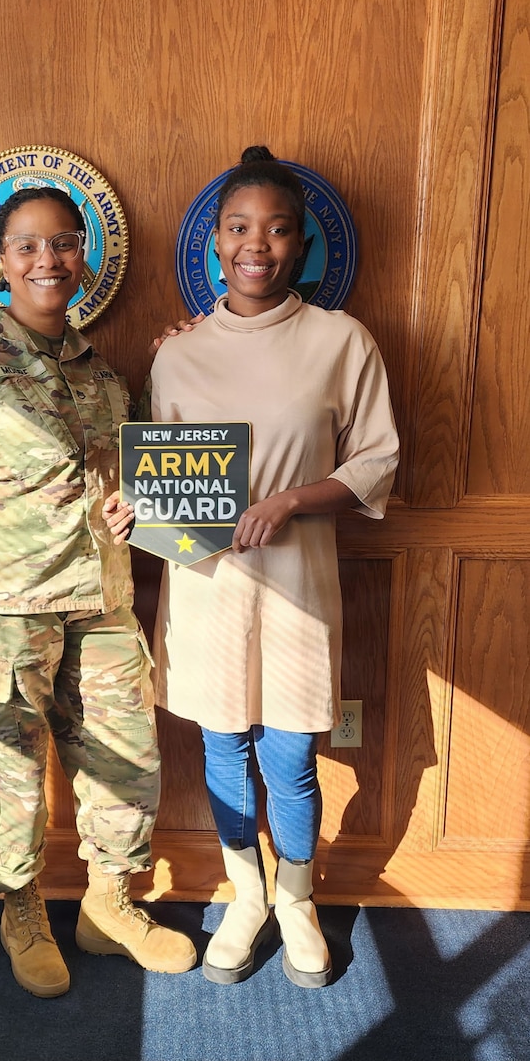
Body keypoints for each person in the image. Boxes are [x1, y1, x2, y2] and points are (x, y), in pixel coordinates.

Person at [105, 146, 399, 988]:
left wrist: (295, 499)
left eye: (276, 230)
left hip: (299, 586)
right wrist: (133, 511)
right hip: (203, 591)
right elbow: (154, 473)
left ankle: (298, 901)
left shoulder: (341, 340)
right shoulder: (177, 353)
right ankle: (246, 896)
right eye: (238, 227)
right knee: (222, 742)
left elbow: (376, 460)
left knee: (290, 752)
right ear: (214, 242)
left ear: (302, 244)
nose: (255, 245)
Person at [0, 186, 195, 998]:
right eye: (27, 246)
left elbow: (136, 478)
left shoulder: (104, 374)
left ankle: (109, 905)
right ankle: (21, 909)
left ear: (84, 257)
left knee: (126, 762)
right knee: (11, 775)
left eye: (62, 243)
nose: (46, 261)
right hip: (2, 615)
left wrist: (183, 357)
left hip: (100, 604)